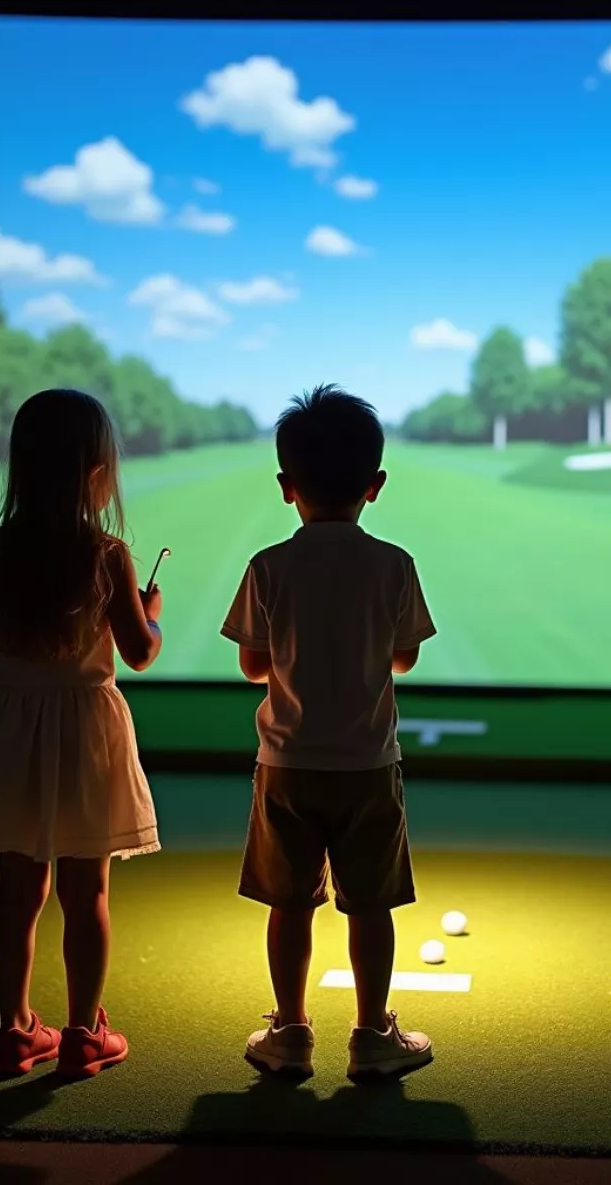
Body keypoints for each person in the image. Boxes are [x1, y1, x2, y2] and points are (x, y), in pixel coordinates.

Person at [0, 389, 164, 1078]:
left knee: (18, 893)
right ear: (97, 471)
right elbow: (139, 653)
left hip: (8, 730)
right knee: (88, 894)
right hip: (85, 731)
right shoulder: (107, 554)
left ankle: (17, 1031)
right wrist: (150, 614)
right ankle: (84, 1035)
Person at [221, 384, 437, 1079]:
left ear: (287, 487)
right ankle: (372, 1036)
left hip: (286, 764)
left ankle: (289, 1032)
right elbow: (403, 656)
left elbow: (253, 662)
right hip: (369, 766)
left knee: (290, 904)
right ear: (375, 486)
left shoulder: (268, 566)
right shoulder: (395, 563)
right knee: (370, 907)